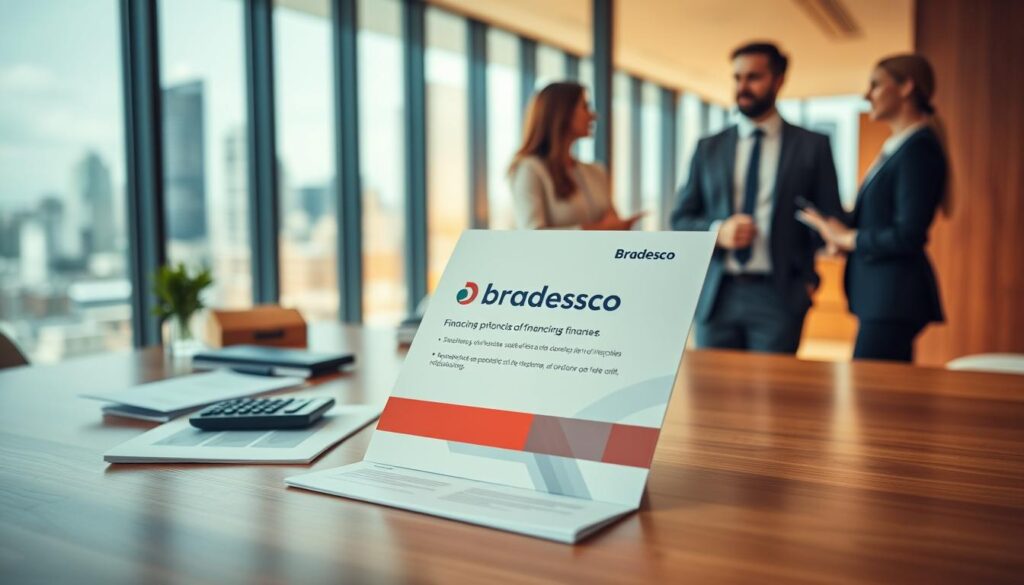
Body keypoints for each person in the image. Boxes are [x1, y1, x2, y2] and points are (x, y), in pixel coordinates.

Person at [670, 42, 843, 354]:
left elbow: (830, 219)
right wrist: (716, 232)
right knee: (712, 398)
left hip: (779, 296)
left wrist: (807, 280)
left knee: (771, 400)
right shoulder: (708, 148)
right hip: (715, 296)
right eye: (737, 78)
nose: (742, 87)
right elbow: (680, 220)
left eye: (753, 77)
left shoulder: (812, 146)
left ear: (779, 80)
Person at [798, 54, 948, 362]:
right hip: (882, 297)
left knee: (870, 400)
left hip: (893, 299)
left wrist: (847, 238)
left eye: (876, 85)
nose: (867, 95)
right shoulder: (899, 145)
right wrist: (835, 231)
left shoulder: (918, 150)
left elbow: (908, 235)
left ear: (906, 87)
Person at [508, 82, 643, 230]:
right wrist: (597, 228)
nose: (593, 115)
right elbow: (532, 234)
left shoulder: (597, 172)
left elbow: (611, 222)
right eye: (585, 107)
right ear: (562, 112)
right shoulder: (530, 169)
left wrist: (617, 225)